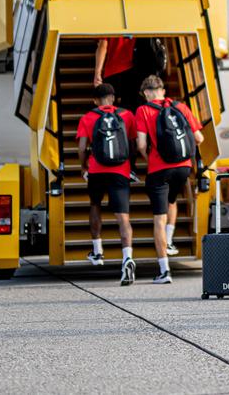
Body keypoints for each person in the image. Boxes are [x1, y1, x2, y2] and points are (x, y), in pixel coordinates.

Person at [134, 75, 203, 284]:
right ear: (162, 90)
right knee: (172, 201)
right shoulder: (181, 107)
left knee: (159, 218)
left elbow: (141, 145)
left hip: (159, 169)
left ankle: (164, 271)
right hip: (183, 168)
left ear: (146, 93)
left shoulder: (143, 110)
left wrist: (151, 159)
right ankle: (170, 240)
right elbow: (199, 138)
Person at [76, 83, 138, 285]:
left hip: (97, 170)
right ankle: (127, 257)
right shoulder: (127, 115)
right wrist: (131, 165)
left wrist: (84, 166)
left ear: (95, 100)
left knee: (95, 205)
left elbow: (82, 146)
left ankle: (97, 251)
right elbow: (133, 143)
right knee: (123, 217)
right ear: (113, 98)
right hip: (120, 170)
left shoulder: (88, 117)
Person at [94, 36, 141, 111]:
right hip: (134, 70)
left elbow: (102, 46)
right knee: (130, 110)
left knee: (109, 109)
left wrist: (98, 72)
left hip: (113, 70)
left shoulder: (107, 24)